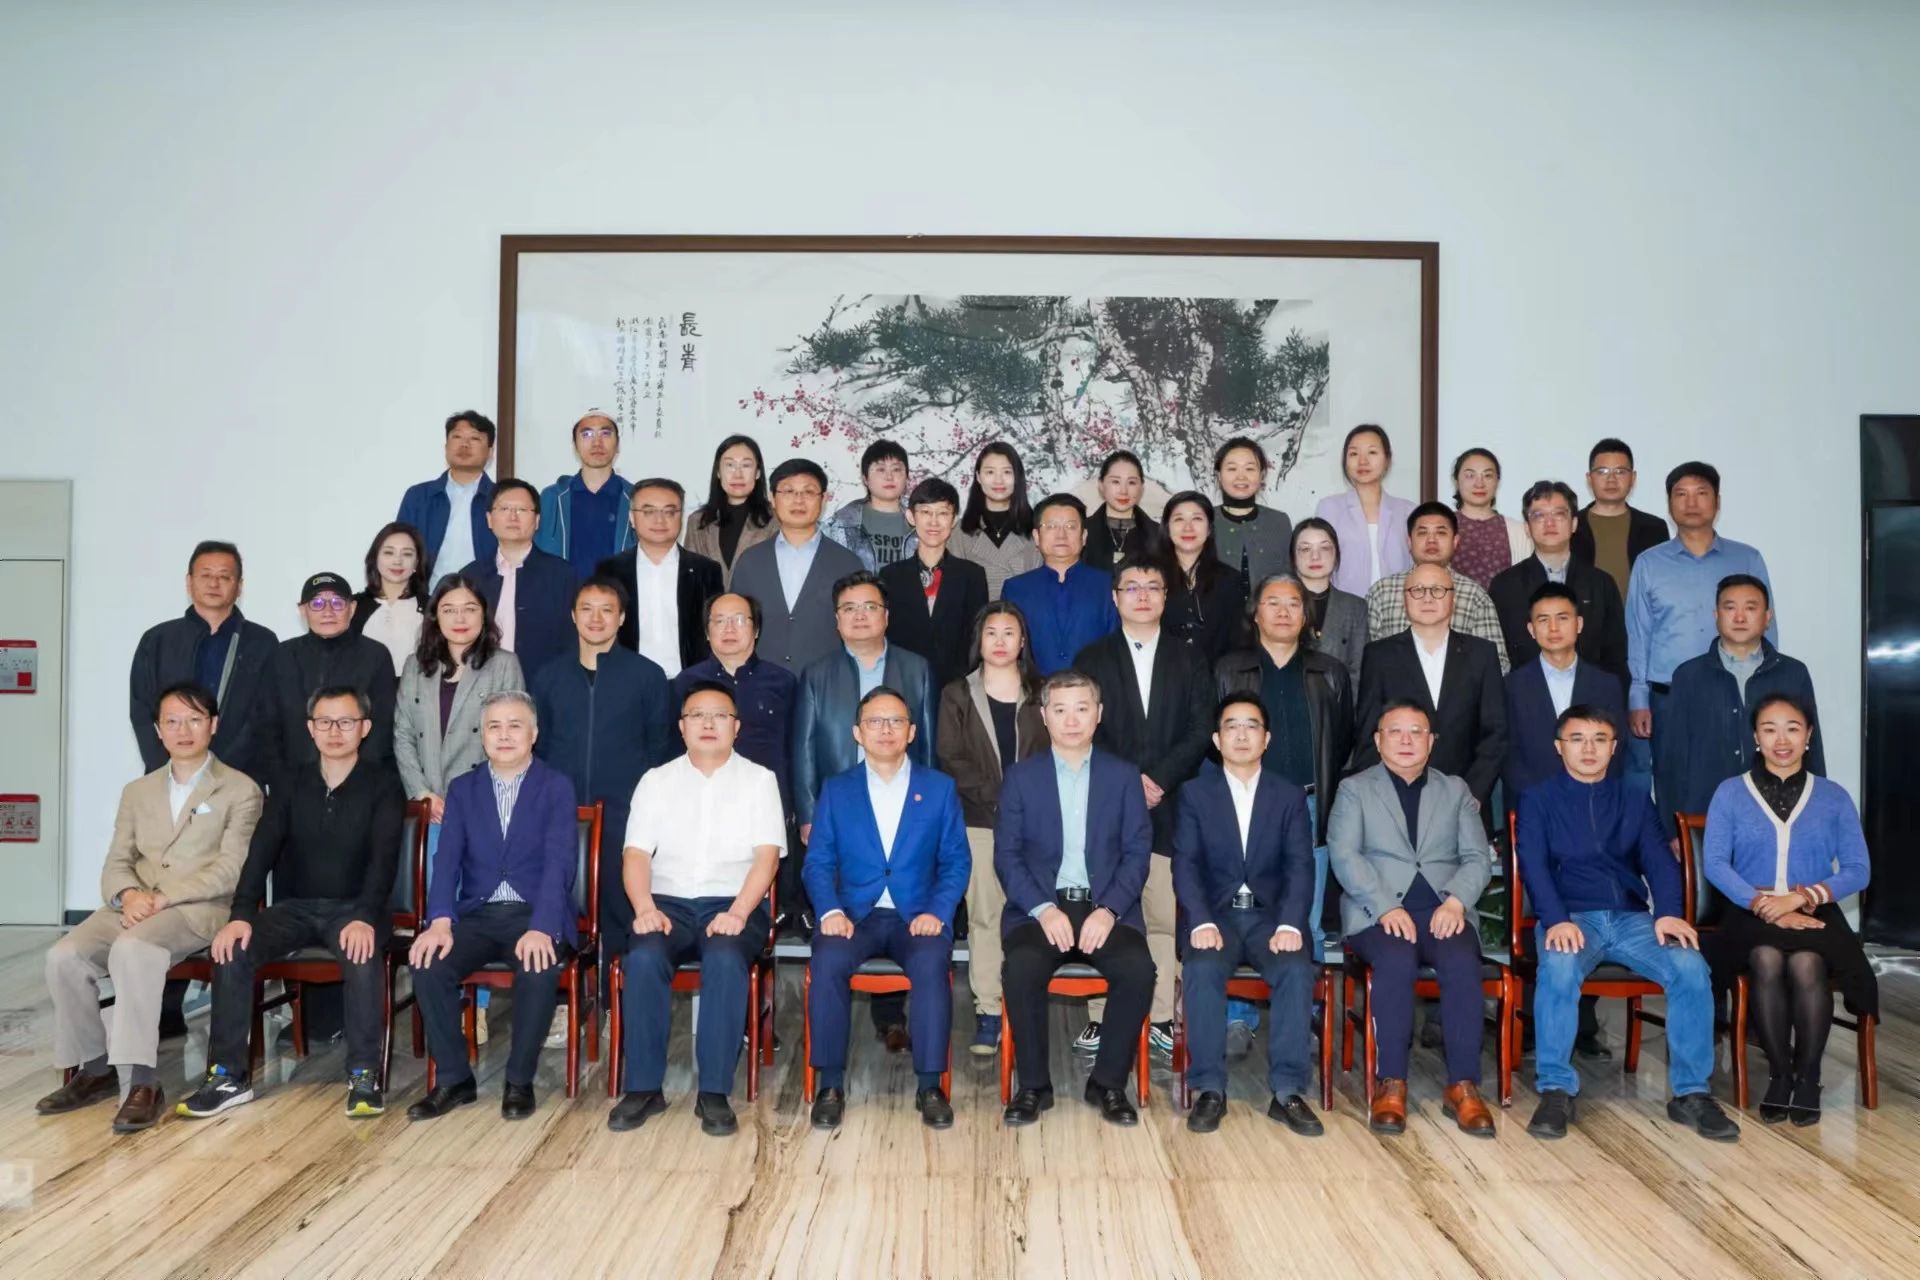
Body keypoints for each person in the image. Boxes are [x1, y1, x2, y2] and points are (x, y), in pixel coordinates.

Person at [38, 682, 263, 1132]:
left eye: (195, 720)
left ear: (213, 725)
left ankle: (142, 1081)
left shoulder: (241, 790)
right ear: (158, 730)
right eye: (172, 721)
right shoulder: (137, 791)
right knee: (64, 956)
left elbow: (230, 870)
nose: (183, 730)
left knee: (134, 949)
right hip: (135, 904)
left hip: (198, 909)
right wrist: (128, 895)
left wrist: (163, 898)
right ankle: (96, 1068)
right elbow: (116, 862)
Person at [179, 687, 406, 1120]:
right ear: (310, 728)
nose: (334, 731)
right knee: (233, 949)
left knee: (361, 952)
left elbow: (384, 861)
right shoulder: (289, 782)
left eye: (346, 722)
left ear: (365, 728)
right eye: (325, 722)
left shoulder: (384, 784)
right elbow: (260, 852)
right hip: (296, 908)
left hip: (357, 909)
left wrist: (364, 916)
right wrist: (241, 915)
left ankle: (364, 1075)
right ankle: (227, 1077)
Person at [1516, 706, 1739, 1141]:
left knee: (1690, 966)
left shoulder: (1635, 800)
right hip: (1571, 918)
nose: (1588, 749)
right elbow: (1534, 866)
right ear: (1559, 747)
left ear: (1614, 747)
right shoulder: (1538, 800)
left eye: (1599, 739)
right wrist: (1555, 919)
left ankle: (1691, 1093)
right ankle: (1556, 1089)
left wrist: (1669, 912)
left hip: (1632, 919)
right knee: (1559, 967)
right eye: (1577, 739)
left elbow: (1659, 863)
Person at [609, 682, 785, 1136]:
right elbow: (635, 855)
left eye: (720, 715)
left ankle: (713, 1091)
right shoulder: (656, 780)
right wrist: (644, 907)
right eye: (697, 715)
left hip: (733, 902)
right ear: (682, 726)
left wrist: (739, 913)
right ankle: (644, 1087)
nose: (708, 723)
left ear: (736, 727)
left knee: (725, 959)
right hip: (665, 903)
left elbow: (767, 858)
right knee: (643, 957)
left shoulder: (760, 780)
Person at [406, 691, 579, 1121]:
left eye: (515, 726)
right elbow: (446, 862)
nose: (504, 735)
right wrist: (439, 920)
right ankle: (454, 1079)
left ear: (533, 734)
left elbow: (560, 863)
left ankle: (519, 1081)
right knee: (428, 963)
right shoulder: (463, 789)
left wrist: (543, 926)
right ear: (482, 736)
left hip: (533, 914)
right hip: (478, 915)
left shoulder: (556, 786)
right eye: (494, 727)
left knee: (538, 965)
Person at [804, 687, 971, 1130]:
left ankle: (930, 1085)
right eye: (874, 722)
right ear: (857, 733)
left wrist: (938, 910)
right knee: (827, 962)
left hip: (916, 916)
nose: (885, 730)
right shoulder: (837, 789)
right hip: (852, 916)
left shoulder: (938, 789)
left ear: (912, 732)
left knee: (932, 963)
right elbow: (817, 862)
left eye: (895, 721)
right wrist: (830, 911)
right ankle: (830, 1084)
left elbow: (956, 860)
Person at [1703, 693, 1874, 1127]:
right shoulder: (1729, 792)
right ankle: (1780, 1075)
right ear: (1756, 737)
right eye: (1770, 729)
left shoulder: (1833, 797)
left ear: (1809, 735)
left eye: (1793, 728)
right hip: (1747, 908)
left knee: (1806, 962)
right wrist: (1766, 905)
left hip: (1812, 906)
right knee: (1765, 957)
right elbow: (1716, 864)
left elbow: (1858, 870)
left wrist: (1801, 898)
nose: (1782, 740)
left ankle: (1808, 1077)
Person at [996, 670, 1157, 1127]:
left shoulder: (1122, 776)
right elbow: (1007, 856)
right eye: (1061, 710)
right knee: (1022, 967)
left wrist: (1109, 910)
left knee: (1137, 970)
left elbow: (1137, 852)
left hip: (1105, 907)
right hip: (1040, 910)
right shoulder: (1021, 778)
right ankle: (1033, 1086)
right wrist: (1043, 909)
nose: (1071, 720)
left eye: (1082, 709)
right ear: (1044, 716)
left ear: (1098, 714)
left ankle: (1107, 1083)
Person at [1328, 701, 1495, 1136]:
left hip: (1443, 911)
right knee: (1396, 960)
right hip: (1377, 913)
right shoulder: (1354, 789)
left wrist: (1456, 901)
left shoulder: (1455, 790)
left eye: (1416, 732)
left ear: (1431, 741)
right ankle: (1391, 1082)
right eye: (1395, 731)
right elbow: (1344, 855)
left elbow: (1477, 857)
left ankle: (1463, 1085)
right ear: (1378, 739)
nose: (1406, 741)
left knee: (1462, 962)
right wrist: (1385, 905)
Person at [1070, 557, 1214, 1059]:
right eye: (1132, 587)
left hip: (1173, 803)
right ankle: (1100, 1016)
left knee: (1161, 917)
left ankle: (1159, 1017)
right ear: (1115, 598)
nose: (1143, 595)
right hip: (1109, 803)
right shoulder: (1092, 657)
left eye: (1154, 586)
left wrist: (1160, 779)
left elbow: (1201, 728)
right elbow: (1083, 727)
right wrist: (1130, 782)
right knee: (1107, 911)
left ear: (1166, 597)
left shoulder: (1189, 657)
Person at [1173, 694, 1322, 1136]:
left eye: (1251, 726)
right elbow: (1186, 864)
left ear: (1267, 738)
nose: (1241, 735)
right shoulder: (1195, 794)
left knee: (1295, 968)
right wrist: (1199, 920)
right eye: (1231, 726)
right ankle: (1209, 1089)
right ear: (1217, 739)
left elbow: (1300, 865)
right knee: (1201, 967)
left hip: (1271, 919)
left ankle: (1288, 1091)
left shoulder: (1288, 796)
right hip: (1215, 917)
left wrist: (1291, 923)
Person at [1214, 573, 1355, 961]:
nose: (1283, 612)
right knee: (1243, 918)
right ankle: (1242, 1000)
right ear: (1255, 613)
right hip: (1245, 804)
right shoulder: (1228, 669)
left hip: (1308, 804)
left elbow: (1343, 739)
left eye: (1294, 604)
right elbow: (1215, 739)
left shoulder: (1330, 672)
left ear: (1305, 616)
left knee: (1305, 921)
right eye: (1272, 602)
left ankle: (1305, 996)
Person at [531, 577, 672, 961]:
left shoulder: (647, 676)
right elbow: (540, 748)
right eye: (587, 610)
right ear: (573, 616)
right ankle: (564, 991)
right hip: (563, 814)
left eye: (607, 610)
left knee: (621, 914)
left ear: (622, 617)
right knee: (559, 909)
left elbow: (659, 750)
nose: (596, 619)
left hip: (626, 816)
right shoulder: (548, 676)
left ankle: (616, 992)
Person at [936, 600, 1049, 1056]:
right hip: (979, 820)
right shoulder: (957, 694)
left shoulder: (1044, 693)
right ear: (978, 641)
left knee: (1035, 913)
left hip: (1038, 823)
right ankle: (988, 1010)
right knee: (985, 914)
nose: (1000, 641)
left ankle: (1025, 1006)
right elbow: (950, 756)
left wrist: (1024, 802)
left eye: (1009, 633)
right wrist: (998, 797)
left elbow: (1059, 751)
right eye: (991, 633)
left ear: (1023, 641)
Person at [1626, 461, 1775, 793]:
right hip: (1670, 696)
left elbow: (1766, 626)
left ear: (1717, 502)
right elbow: (1638, 634)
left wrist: (1769, 687)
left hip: (1736, 690)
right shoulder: (1649, 563)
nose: (1691, 502)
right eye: (1681, 494)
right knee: (1674, 784)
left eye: (1701, 493)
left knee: (1742, 785)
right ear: (1669, 504)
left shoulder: (1747, 559)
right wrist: (1639, 697)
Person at [1656, 574, 1822, 840]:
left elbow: (1812, 748)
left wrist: (1816, 815)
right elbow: (1671, 758)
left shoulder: (1793, 673)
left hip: (1781, 813)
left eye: (1751, 608)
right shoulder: (1688, 676)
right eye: (1730, 608)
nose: (1740, 617)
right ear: (1716, 615)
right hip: (1706, 813)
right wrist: (1673, 828)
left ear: (1767, 617)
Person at [1354, 563, 1508, 817]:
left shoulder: (1482, 654)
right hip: (1396, 802)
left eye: (1437, 590)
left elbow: (1495, 733)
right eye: (1417, 590)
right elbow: (1369, 734)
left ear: (1453, 599)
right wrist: (1384, 797)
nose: (1427, 598)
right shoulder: (1379, 655)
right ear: (1405, 600)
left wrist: (1473, 794)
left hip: (1467, 801)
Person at [129, 540, 278, 780]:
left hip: (239, 779)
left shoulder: (262, 642)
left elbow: (266, 716)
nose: (214, 583)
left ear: (239, 586)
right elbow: (142, 712)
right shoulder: (157, 640)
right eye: (205, 575)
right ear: (189, 582)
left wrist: (225, 772)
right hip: (169, 779)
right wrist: (169, 769)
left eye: (224, 577)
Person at [393, 574, 526, 842]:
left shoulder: (504, 665)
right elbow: (403, 734)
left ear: (483, 615)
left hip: (484, 805)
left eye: (470, 609)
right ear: (435, 617)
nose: (460, 618)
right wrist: (422, 793)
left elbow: (513, 739)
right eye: (449, 610)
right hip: (430, 807)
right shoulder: (414, 666)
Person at [728, 458, 866, 673]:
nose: (798, 500)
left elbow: (860, 633)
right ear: (773, 499)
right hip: (760, 682)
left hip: (826, 681)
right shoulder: (750, 561)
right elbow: (734, 624)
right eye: (788, 491)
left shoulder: (848, 563)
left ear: (824, 499)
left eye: (809, 492)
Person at [671, 593, 800, 820]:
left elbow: (796, 751)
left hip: (766, 806)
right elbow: (672, 748)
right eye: (719, 621)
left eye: (739, 620)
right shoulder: (685, 682)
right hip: (700, 806)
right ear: (707, 632)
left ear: (756, 630)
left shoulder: (783, 682)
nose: (729, 628)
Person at [260, 572, 399, 781]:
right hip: (293, 779)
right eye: (317, 603)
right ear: (302, 610)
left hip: (361, 780)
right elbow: (268, 724)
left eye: (337, 603)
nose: (327, 611)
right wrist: (280, 777)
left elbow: (382, 726)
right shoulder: (283, 655)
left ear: (352, 608)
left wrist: (357, 777)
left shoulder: (375, 655)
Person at [1489, 480, 1628, 680]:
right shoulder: (1504, 586)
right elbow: (1497, 658)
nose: (1549, 523)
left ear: (1574, 524)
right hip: (1524, 694)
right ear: (1527, 527)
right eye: (1539, 515)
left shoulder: (1601, 584)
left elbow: (1616, 656)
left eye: (1559, 514)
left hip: (1590, 694)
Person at [1503, 583, 1628, 799]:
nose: (1553, 628)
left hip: (1595, 800)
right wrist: (1542, 800)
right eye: (1543, 620)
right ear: (1531, 630)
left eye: (1562, 618)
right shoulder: (1511, 686)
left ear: (1579, 624)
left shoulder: (1607, 684)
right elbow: (1507, 753)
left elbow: (1617, 748)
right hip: (1532, 802)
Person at [595, 477, 724, 678]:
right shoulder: (610, 571)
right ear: (632, 517)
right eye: (649, 512)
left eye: (669, 512)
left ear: (681, 516)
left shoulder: (706, 571)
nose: (659, 520)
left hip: (690, 683)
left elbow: (716, 631)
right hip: (627, 681)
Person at [1364, 503, 1511, 673]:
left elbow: (1497, 664)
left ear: (1455, 541)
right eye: (1422, 533)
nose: (1431, 540)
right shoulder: (1382, 592)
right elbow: (1367, 660)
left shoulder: (1475, 595)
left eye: (1441, 533)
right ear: (1409, 542)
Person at [879, 476, 989, 693]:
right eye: (925, 512)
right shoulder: (890, 575)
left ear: (954, 520)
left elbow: (977, 638)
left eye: (943, 513)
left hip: (958, 690)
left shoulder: (972, 575)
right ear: (911, 517)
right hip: (903, 686)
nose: (934, 522)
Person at [462, 478, 578, 679]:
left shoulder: (562, 575)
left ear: (537, 520)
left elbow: (572, 643)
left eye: (522, 510)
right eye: (504, 509)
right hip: (479, 685)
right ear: (489, 519)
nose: (513, 516)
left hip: (542, 687)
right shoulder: (470, 576)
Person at [1001, 494, 1120, 674]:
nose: (1061, 535)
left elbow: (1117, 645)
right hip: (1033, 688)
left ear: (1084, 536)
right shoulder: (1016, 589)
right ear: (1036, 536)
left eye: (1070, 527)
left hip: (1095, 686)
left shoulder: (1108, 584)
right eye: (1051, 526)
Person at [1313, 424, 1415, 595]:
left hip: (1396, 606)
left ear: (1387, 459)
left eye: (1372, 452)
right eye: (1354, 454)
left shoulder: (1407, 511)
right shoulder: (1329, 508)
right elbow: (1320, 567)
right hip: (1345, 607)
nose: (1362, 461)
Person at [534, 409, 635, 580]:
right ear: (575, 445)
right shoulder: (551, 497)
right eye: (587, 434)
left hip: (618, 595)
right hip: (563, 595)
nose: (597, 443)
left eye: (605, 433)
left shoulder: (635, 498)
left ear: (617, 445)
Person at [396, 410, 497, 577]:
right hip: (429, 591)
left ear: (490, 452)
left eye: (475, 438)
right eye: (457, 436)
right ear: (446, 447)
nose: (464, 444)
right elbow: (401, 550)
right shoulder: (419, 496)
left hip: (487, 592)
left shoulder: (501, 500)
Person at [1569, 438, 1671, 600]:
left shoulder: (1654, 528)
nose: (1611, 479)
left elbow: (1663, 584)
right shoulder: (1570, 527)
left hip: (1639, 616)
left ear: (1633, 478)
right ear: (1589, 478)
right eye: (1602, 471)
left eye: (1620, 472)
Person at [1161, 491, 1249, 662]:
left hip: (1217, 675)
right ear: (1167, 528)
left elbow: (1238, 642)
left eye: (1197, 519)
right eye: (1179, 519)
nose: (1188, 527)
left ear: (1209, 529)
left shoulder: (1230, 580)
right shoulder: (1151, 578)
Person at [947, 441, 1041, 598]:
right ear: (978, 477)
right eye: (990, 472)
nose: (999, 480)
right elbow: (953, 591)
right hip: (976, 614)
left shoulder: (1036, 529)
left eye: (1007, 472)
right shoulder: (960, 532)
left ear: (1017, 477)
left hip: (1025, 612)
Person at [683, 433, 777, 587]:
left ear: (758, 473)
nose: (738, 474)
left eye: (746, 465)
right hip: (710, 603)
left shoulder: (776, 519)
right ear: (718, 472)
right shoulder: (698, 521)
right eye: (730, 465)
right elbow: (691, 580)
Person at [1290, 517, 1368, 690]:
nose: (1315, 556)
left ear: (1336, 555)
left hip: (1341, 701)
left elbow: (1359, 670)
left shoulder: (1356, 607)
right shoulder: (1281, 605)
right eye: (1305, 549)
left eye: (1324, 548)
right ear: (1293, 557)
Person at [1211, 437, 1293, 590]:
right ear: (1219, 475)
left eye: (1249, 469)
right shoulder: (1205, 520)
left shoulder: (1279, 522)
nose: (1241, 476)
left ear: (1262, 475)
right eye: (1232, 469)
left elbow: (1290, 580)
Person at [348, 522, 429, 676]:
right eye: (389, 553)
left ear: (417, 562)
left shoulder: (432, 607)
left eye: (407, 554)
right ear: (375, 558)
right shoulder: (353, 606)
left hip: (416, 689)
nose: (397, 561)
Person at [827, 438, 918, 570]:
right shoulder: (844, 522)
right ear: (865, 479)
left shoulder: (922, 519)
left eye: (896, 469)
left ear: (907, 477)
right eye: (880, 469)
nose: (889, 477)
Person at [1448, 448, 1532, 589]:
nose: (1479, 484)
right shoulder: (1443, 527)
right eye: (1470, 475)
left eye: (1487, 475)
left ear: (1497, 482)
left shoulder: (1519, 532)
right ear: (1457, 481)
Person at [1081, 449, 1158, 569]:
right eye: (1115, 482)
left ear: (1141, 487)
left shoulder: (1159, 535)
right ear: (1101, 485)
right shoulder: (1082, 531)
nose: (1123, 491)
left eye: (1131, 482)